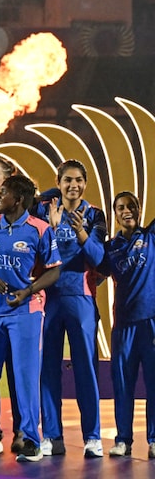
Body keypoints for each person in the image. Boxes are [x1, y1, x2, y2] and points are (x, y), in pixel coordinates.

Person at [0, 175, 61, 463]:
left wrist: (28, 291)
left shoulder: (40, 229)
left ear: (18, 199)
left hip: (26, 312)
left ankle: (31, 439)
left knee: (25, 377)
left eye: (4, 192)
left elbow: (54, 270)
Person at [34, 160, 106, 458]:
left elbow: (100, 259)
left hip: (81, 298)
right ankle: (52, 435)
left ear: (85, 183)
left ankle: (93, 437)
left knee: (86, 370)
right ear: (58, 181)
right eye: (67, 180)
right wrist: (50, 228)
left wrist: (82, 234)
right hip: (48, 299)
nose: (72, 186)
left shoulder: (95, 215)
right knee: (47, 370)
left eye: (78, 180)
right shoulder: (44, 210)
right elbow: (36, 250)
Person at [97, 191, 155, 458]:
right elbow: (94, 274)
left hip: (151, 325)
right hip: (123, 327)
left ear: (140, 208)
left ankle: (154, 439)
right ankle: (123, 439)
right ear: (115, 213)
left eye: (131, 205)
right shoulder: (110, 248)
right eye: (120, 207)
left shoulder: (151, 237)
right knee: (123, 385)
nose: (126, 210)